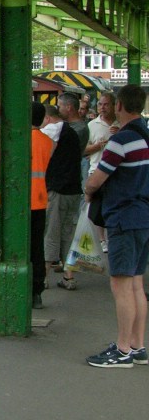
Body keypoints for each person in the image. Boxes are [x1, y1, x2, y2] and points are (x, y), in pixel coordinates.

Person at [83, 84, 149, 368]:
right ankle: (137, 345)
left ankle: (122, 350)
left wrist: (88, 191)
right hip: (143, 215)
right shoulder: (146, 137)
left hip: (123, 216)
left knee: (120, 284)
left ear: (120, 105)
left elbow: (97, 179)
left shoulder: (121, 140)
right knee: (135, 283)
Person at [0, 101, 53, 308]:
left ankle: (12, 288)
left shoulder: (16, 140)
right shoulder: (48, 141)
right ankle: (36, 291)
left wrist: (2, 139)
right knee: (37, 248)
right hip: (39, 200)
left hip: (14, 203)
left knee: (11, 247)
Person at [41, 102, 83, 290]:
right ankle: (68, 276)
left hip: (57, 190)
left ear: (48, 118)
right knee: (68, 234)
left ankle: (43, 275)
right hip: (74, 190)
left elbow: (43, 157)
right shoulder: (71, 132)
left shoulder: (51, 130)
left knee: (51, 232)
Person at [85, 92, 119, 252]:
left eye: (106, 104)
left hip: (116, 173)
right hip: (96, 170)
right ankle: (101, 239)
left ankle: (111, 237)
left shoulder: (120, 124)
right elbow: (84, 150)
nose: (102, 107)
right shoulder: (92, 125)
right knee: (98, 208)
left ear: (114, 106)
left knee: (112, 206)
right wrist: (98, 146)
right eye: (100, 104)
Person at [58, 93, 89, 186]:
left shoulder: (79, 129)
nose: (58, 110)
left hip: (68, 180)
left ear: (68, 107)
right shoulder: (67, 125)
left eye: (59, 106)